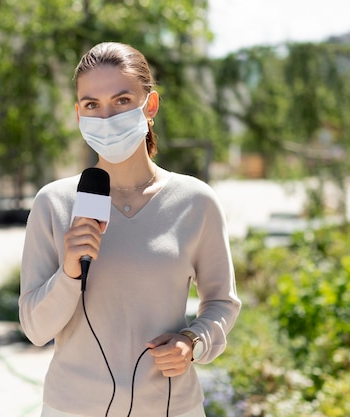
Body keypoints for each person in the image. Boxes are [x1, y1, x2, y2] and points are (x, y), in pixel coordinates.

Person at [18, 42, 241, 417]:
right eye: (92, 105)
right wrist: (70, 272)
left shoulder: (195, 201)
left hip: (171, 407)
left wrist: (192, 342)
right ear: (78, 114)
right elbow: (36, 329)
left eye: (121, 100)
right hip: (73, 408)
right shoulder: (52, 203)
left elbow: (222, 302)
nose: (106, 117)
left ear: (149, 106)